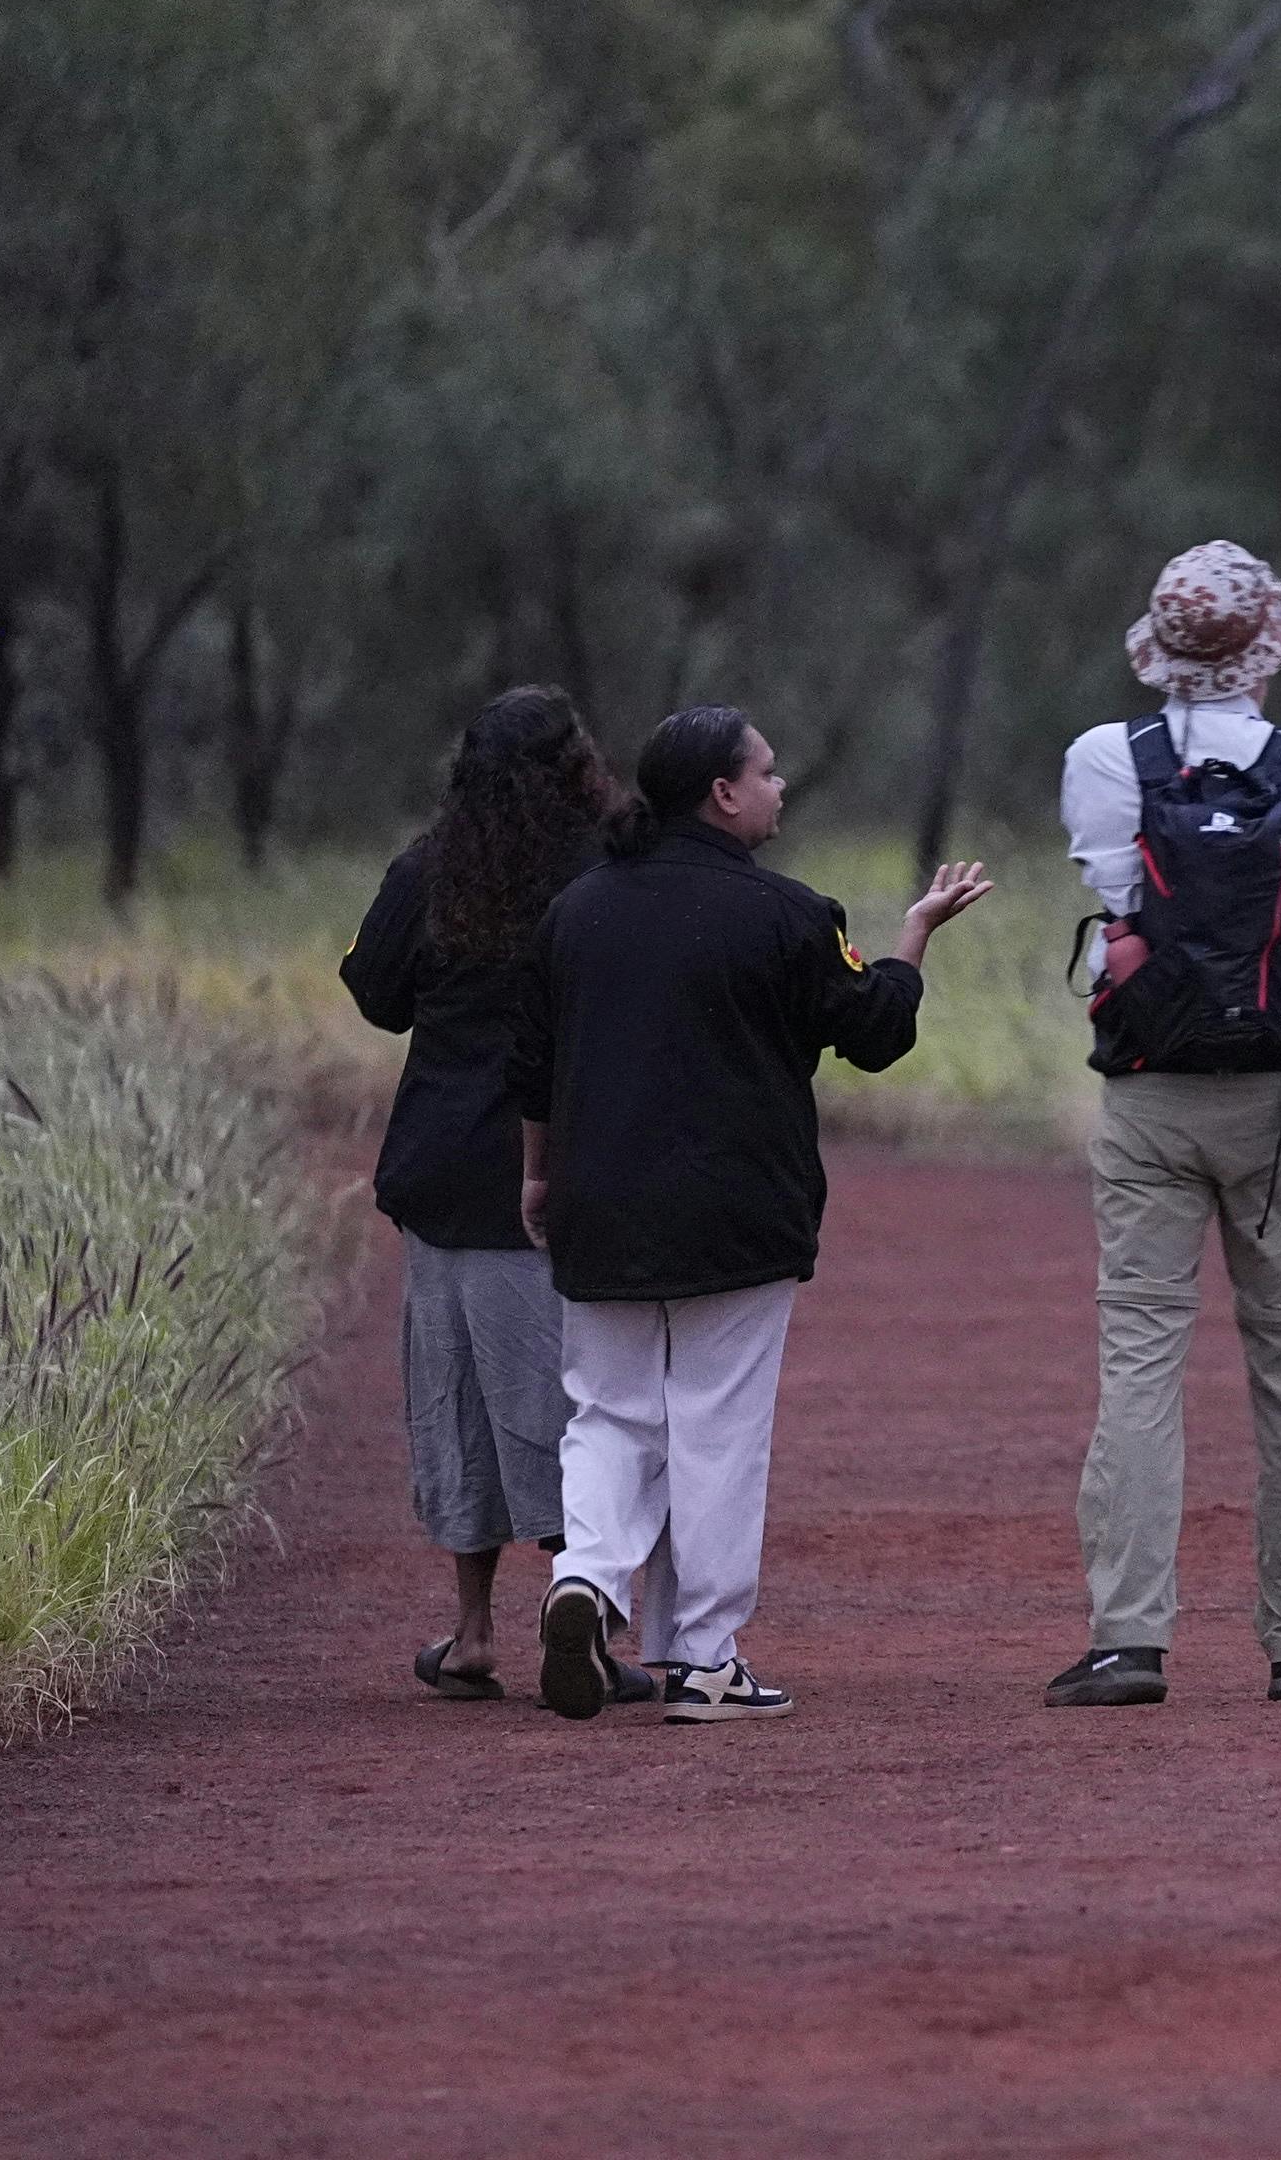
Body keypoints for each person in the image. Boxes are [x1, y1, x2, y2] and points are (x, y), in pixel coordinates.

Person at [511, 706, 989, 1722]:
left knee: (606, 1413)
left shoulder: (577, 912)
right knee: (715, 1428)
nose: (781, 788)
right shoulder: (786, 916)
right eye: (768, 772)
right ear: (723, 793)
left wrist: (538, 1176)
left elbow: (531, 1063)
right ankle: (703, 1660)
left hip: (598, 1204)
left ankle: (585, 1583)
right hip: (736, 1213)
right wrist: (910, 940)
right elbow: (874, 1035)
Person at [1048, 543, 1281, 1710]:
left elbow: (1109, 890)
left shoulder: (1103, 758)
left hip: (1147, 1087)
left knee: (1140, 1356)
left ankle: (1128, 1637)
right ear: (1265, 645)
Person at [341, 686, 667, 1707]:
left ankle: (472, 1629)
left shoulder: (429, 873)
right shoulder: (609, 871)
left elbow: (376, 993)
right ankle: (591, 1621)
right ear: (578, 764)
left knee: (459, 1407)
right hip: (566, 1169)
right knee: (581, 1406)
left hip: (445, 1174)